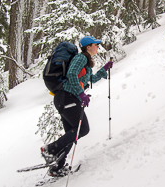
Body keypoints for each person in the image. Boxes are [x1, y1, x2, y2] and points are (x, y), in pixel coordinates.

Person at [41, 36, 113, 176]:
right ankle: (50, 150)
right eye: (95, 44)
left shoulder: (85, 62)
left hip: (65, 99)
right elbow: (72, 74)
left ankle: (57, 167)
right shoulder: (81, 58)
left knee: (72, 134)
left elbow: (90, 79)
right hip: (68, 98)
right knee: (83, 129)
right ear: (88, 47)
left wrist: (104, 69)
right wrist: (81, 94)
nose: (98, 47)